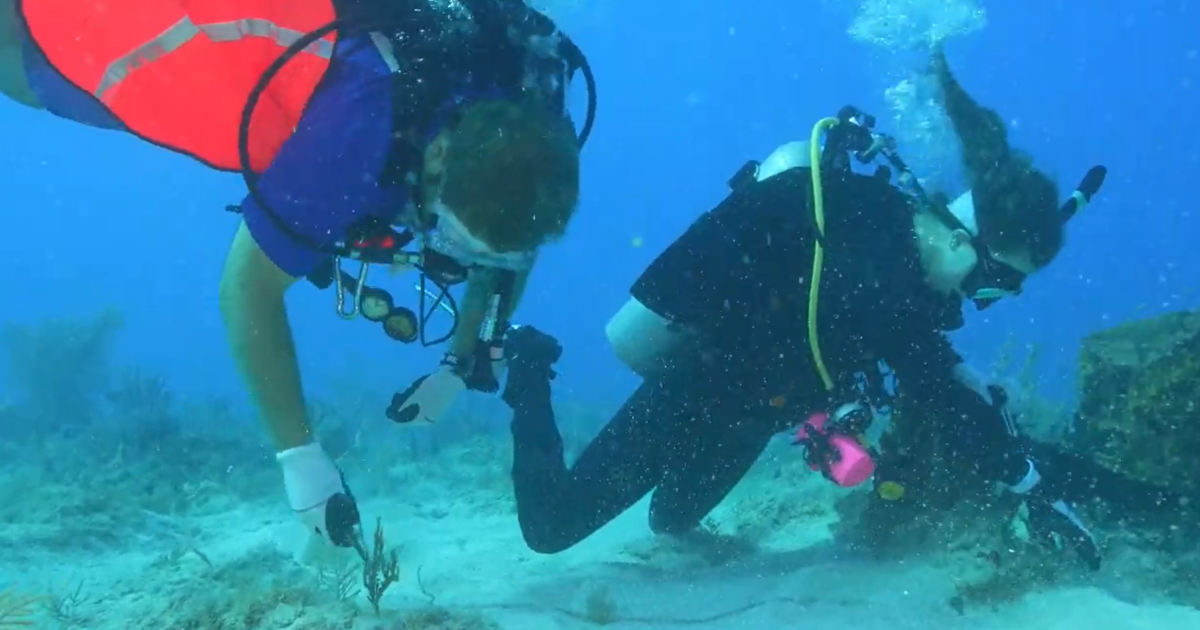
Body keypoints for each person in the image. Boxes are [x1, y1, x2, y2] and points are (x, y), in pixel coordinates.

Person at [1, 0, 595, 552]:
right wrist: (300, 459)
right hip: (213, 36)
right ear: (437, 156)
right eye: (450, 235)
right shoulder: (354, 135)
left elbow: (510, 247)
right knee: (35, 64)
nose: (451, 257)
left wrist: (463, 364)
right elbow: (247, 290)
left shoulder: (537, 100)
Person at [498, 51, 1112, 570]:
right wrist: (1029, 484)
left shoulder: (901, 260)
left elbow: (924, 358)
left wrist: (966, 377)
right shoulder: (876, 257)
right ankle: (528, 364)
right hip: (697, 390)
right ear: (958, 239)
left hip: (754, 414)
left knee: (673, 519)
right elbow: (928, 380)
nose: (983, 300)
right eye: (993, 281)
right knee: (551, 530)